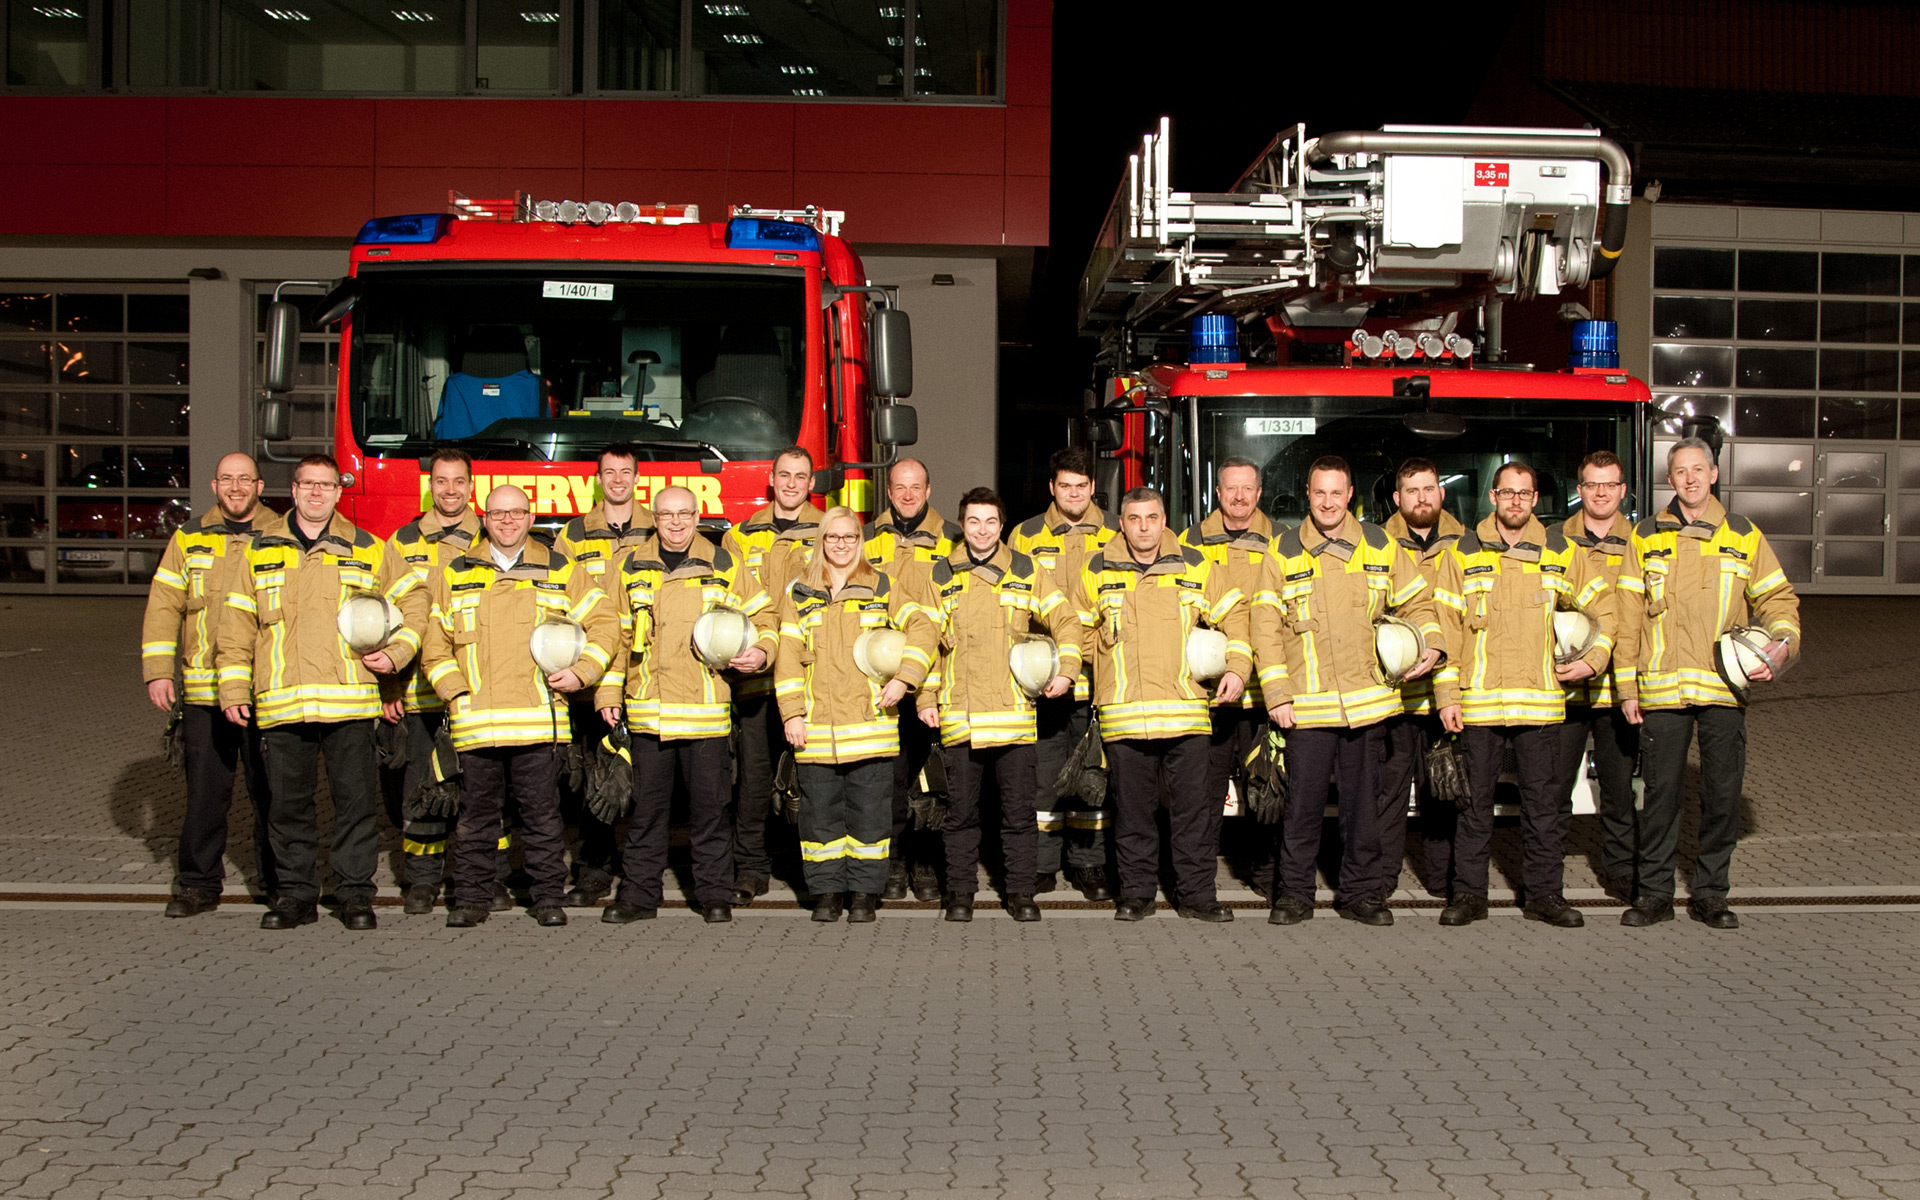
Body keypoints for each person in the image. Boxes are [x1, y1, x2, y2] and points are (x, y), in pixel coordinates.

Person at [216, 454, 409, 931]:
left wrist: (397, 655)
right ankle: (296, 896)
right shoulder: (259, 552)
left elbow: (414, 601)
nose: (317, 493)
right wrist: (234, 685)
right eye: (308, 484)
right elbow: (236, 625)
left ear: (338, 493)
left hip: (350, 702)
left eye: (326, 485)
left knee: (355, 806)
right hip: (283, 702)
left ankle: (355, 896)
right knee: (287, 808)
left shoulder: (369, 548)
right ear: (294, 491)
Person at [1617, 438, 1800, 930]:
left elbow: (1778, 601)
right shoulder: (1646, 535)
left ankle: (1711, 894)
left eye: (1699, 469)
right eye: (1680, 471)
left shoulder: (1743, 535)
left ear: (1714, 474)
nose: (1691, 479)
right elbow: (1628, 616)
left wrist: (1780, 648)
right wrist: (1626, 687)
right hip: (1662, 689)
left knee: (1722, 796)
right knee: (1660, 797)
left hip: (1723, 688)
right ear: (1670, 478)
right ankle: (1654, 894)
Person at [420, 484, 618, 927]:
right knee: (475, 819)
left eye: (516, 513)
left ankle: (548, 898)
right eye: (497, 514)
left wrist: (582, 672)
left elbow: (606, 624)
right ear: (483, 519)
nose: (507, 521)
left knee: (543, 818)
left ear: (530, 519)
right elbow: (434, 646)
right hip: (475, 722)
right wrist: (455, 692)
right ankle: (470, 900)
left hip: (537, 721)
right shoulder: (454, 572)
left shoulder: (561, 568)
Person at [1429, 461, 1616, 928]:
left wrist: (1592, 660)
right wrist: (1447, 695)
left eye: (1524, 494)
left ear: (1536, 501)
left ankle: (1544, 896)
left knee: (1544, 809)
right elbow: (1444, 628)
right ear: (1492, 497)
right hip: (1479, 705)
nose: (1515, 501)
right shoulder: (1462, 553)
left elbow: (1605, 610)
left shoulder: (1563, 551)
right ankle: (1469, 896)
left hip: (1541, 705)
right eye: (1506, 493)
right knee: (1472, 809)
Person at [1256, 456, 1441, 927]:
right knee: (1302, 808)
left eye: (1337, 493)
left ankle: (1362, 895)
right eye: (1319, 493)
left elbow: (1418, 600)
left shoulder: (1380, 545)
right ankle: (1294, 895)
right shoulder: (1282, 552)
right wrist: (1276, 694)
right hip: (1308, 708)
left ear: (1350, 494)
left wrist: (1432, 643)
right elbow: (1263, 627)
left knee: (1364, 810)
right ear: (1307, 494)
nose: (1328, 503)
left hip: (1368, 705)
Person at [596, 487, 776, 925]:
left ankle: (713, 894)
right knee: (646, 813)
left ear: (698, 516)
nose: (676, 523)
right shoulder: (628, 565)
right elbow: (612, 635)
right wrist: (606, 694)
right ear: (653, 518)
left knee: (710, 812)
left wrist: (762, 652)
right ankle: (639, 896)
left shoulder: (724, 563)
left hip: (705, 714)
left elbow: (765, 617)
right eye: (667, 515)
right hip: (648, 713)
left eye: (684, 514)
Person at [1070, 486, 1250, 922]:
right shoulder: (1097, 569)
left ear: (1164, 519)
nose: (1144, 527)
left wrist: (1237, 669)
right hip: (1125, 716)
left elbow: (1237, 614)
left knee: (1194, 815)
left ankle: (1197, 896)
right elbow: (1073, 631)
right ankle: (1136, 895)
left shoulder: (1195, 565)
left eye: (1152, 518)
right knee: (1133, 815)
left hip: (1187, 714)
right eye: (1135, 519)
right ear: (1122, 523)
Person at [918, 487, 1080, 922]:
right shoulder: (940, 574)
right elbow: (926, 641)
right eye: (973, 522)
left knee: (1018, 815)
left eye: (990, 522)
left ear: (1001, 525)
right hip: (960, 714)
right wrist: (926, 697)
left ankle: (1022, 894)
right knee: (961, 815)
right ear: (962, 525)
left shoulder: (1025, 569)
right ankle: (959, 895)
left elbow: (1065, 619)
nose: (982, 530)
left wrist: (1065, 669)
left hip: (1012, 716)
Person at [776, 506, 939, 922]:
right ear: (821, 542)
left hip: (870, 726)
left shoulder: (882, 585)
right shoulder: (799, 592)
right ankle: (827, 893)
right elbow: (788, 658)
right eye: (833, 537)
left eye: (849, 537)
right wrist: (792, 714)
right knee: (819, 819)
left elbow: (924, 628)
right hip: (814, 727)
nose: (842, 545)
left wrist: (904, 679)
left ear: (860, 541)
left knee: (870, 815)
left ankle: (865, 894)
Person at [139, 451, 278, 917]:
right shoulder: (189, 538)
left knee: (272, 793)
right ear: (214, 486)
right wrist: (159, 671)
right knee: (204, 794)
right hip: (204, 691)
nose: (236, 487)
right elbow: (164, 606)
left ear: (260, 487)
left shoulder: (281, 535)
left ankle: (277, 881)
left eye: (245, 479)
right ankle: (198, 884)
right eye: (227, 479)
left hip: (265, 690)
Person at [1009, 447, 1120, 900]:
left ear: (1092, 488)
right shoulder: (1025, 535)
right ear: (1052, 488)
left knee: (1093, 774)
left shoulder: (1116, 533)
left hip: (1099, 677)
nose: (1073, 494)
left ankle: (1088, 864)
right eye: (1064, 486)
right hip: (1043, 678)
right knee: (1045, 774)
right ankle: (1041, 865)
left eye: (1081, 486)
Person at [382, 448, 488, 914]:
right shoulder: (401, 542)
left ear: (472, 486)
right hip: (420, 689)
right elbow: (385, 619)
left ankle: (490, 876)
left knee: (484, 790)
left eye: (458, 482)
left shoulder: (494, 536)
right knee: (422, 787)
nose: (450, 490)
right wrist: (390, 687)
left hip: (482, 690)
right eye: (441, 481)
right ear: (431, 485)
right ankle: (422, 881)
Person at [720, 445, 824, 906]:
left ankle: (806, 870)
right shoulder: (740, 537)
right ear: (772, 479)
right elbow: (726, 604)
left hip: (810, 680)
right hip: (756, 682)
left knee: (813, 779)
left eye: (800, 477)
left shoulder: (829, 532)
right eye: (784, 475)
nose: (791, 484)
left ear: (811, 483)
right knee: (755, 780)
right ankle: (751, 869)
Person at [557, 443, 658, 907]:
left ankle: (639, 867)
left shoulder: (658, 530)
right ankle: (594, 869)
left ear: (638, 479)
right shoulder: (573, 536)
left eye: (626, 472)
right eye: (609, 472)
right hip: (590, 674)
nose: (618, 480)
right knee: (595, 776)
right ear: (597, 478)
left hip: (642, 672)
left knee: (640, 775)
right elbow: (559, 599)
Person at [1180, 456, 1283, 895]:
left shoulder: (1283, 542)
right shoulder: (1190, 542)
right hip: (1210, 691)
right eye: (1230, 489)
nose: (1239, 497)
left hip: (1264, 692)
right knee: (1202, 792)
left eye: (1248, 489)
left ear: (1259, 494)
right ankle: (1199, 879)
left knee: (1267, 786)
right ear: (1216, 494)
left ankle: (1264, 875)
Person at [861, 456, 960, 902]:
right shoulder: (862, 539)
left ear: (928, 490)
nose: (906, 495)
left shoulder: (952, 540)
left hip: (933, 675)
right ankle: (894, 862)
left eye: (915, 487)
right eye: (899, 487)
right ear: (889, 491)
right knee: (888, 778)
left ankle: (925, 864)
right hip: (877, 676)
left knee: (931, 778)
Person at [1550, 450, 1642, 904]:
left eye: (1609, 485)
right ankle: (1547, 881)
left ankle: (1622, 876)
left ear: (1622, 490)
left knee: (1619, 792)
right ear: (1579, 490)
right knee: (1553, 791)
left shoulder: (1644, 542)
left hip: (1618, 690)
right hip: (1564, 687)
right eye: (1591, 484)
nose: (1601, 492)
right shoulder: (1552, 541)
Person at [1376, 458, 1467, 897]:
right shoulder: (1374, 545)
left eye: (1429, 488)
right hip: (1396, 692)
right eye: (1412, 491)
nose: (1422, 498)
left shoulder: (1466, 544)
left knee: (1443, 788)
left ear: (1441, 492)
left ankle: (1441, 879)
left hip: (1446, 687)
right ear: (1397, 498)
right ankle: (1382, 878)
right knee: (1389, 791)